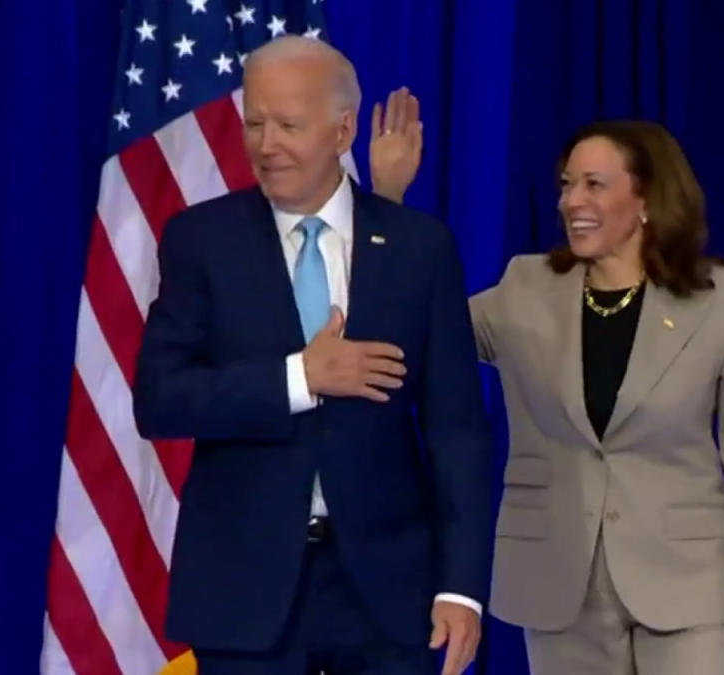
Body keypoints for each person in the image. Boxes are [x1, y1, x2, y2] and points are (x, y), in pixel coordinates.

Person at [372, 97, 724, 675]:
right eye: (567, 184)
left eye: (595, 185)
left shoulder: (719, 298)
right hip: (559, 585)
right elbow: (415, 332)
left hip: (690, 585)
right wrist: (387, 204)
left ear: (647, 199)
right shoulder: (526, 289)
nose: (572, 200)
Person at [132, 38, 493, 675]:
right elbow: (160, 399)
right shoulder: (201, 240)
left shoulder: (418, 248)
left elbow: (457, 432)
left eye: (289, 125)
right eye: (256, 124)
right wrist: (300, 377)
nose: (267, 144)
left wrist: (460, 586)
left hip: (387, 594)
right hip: (243, 592)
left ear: (343, 129)